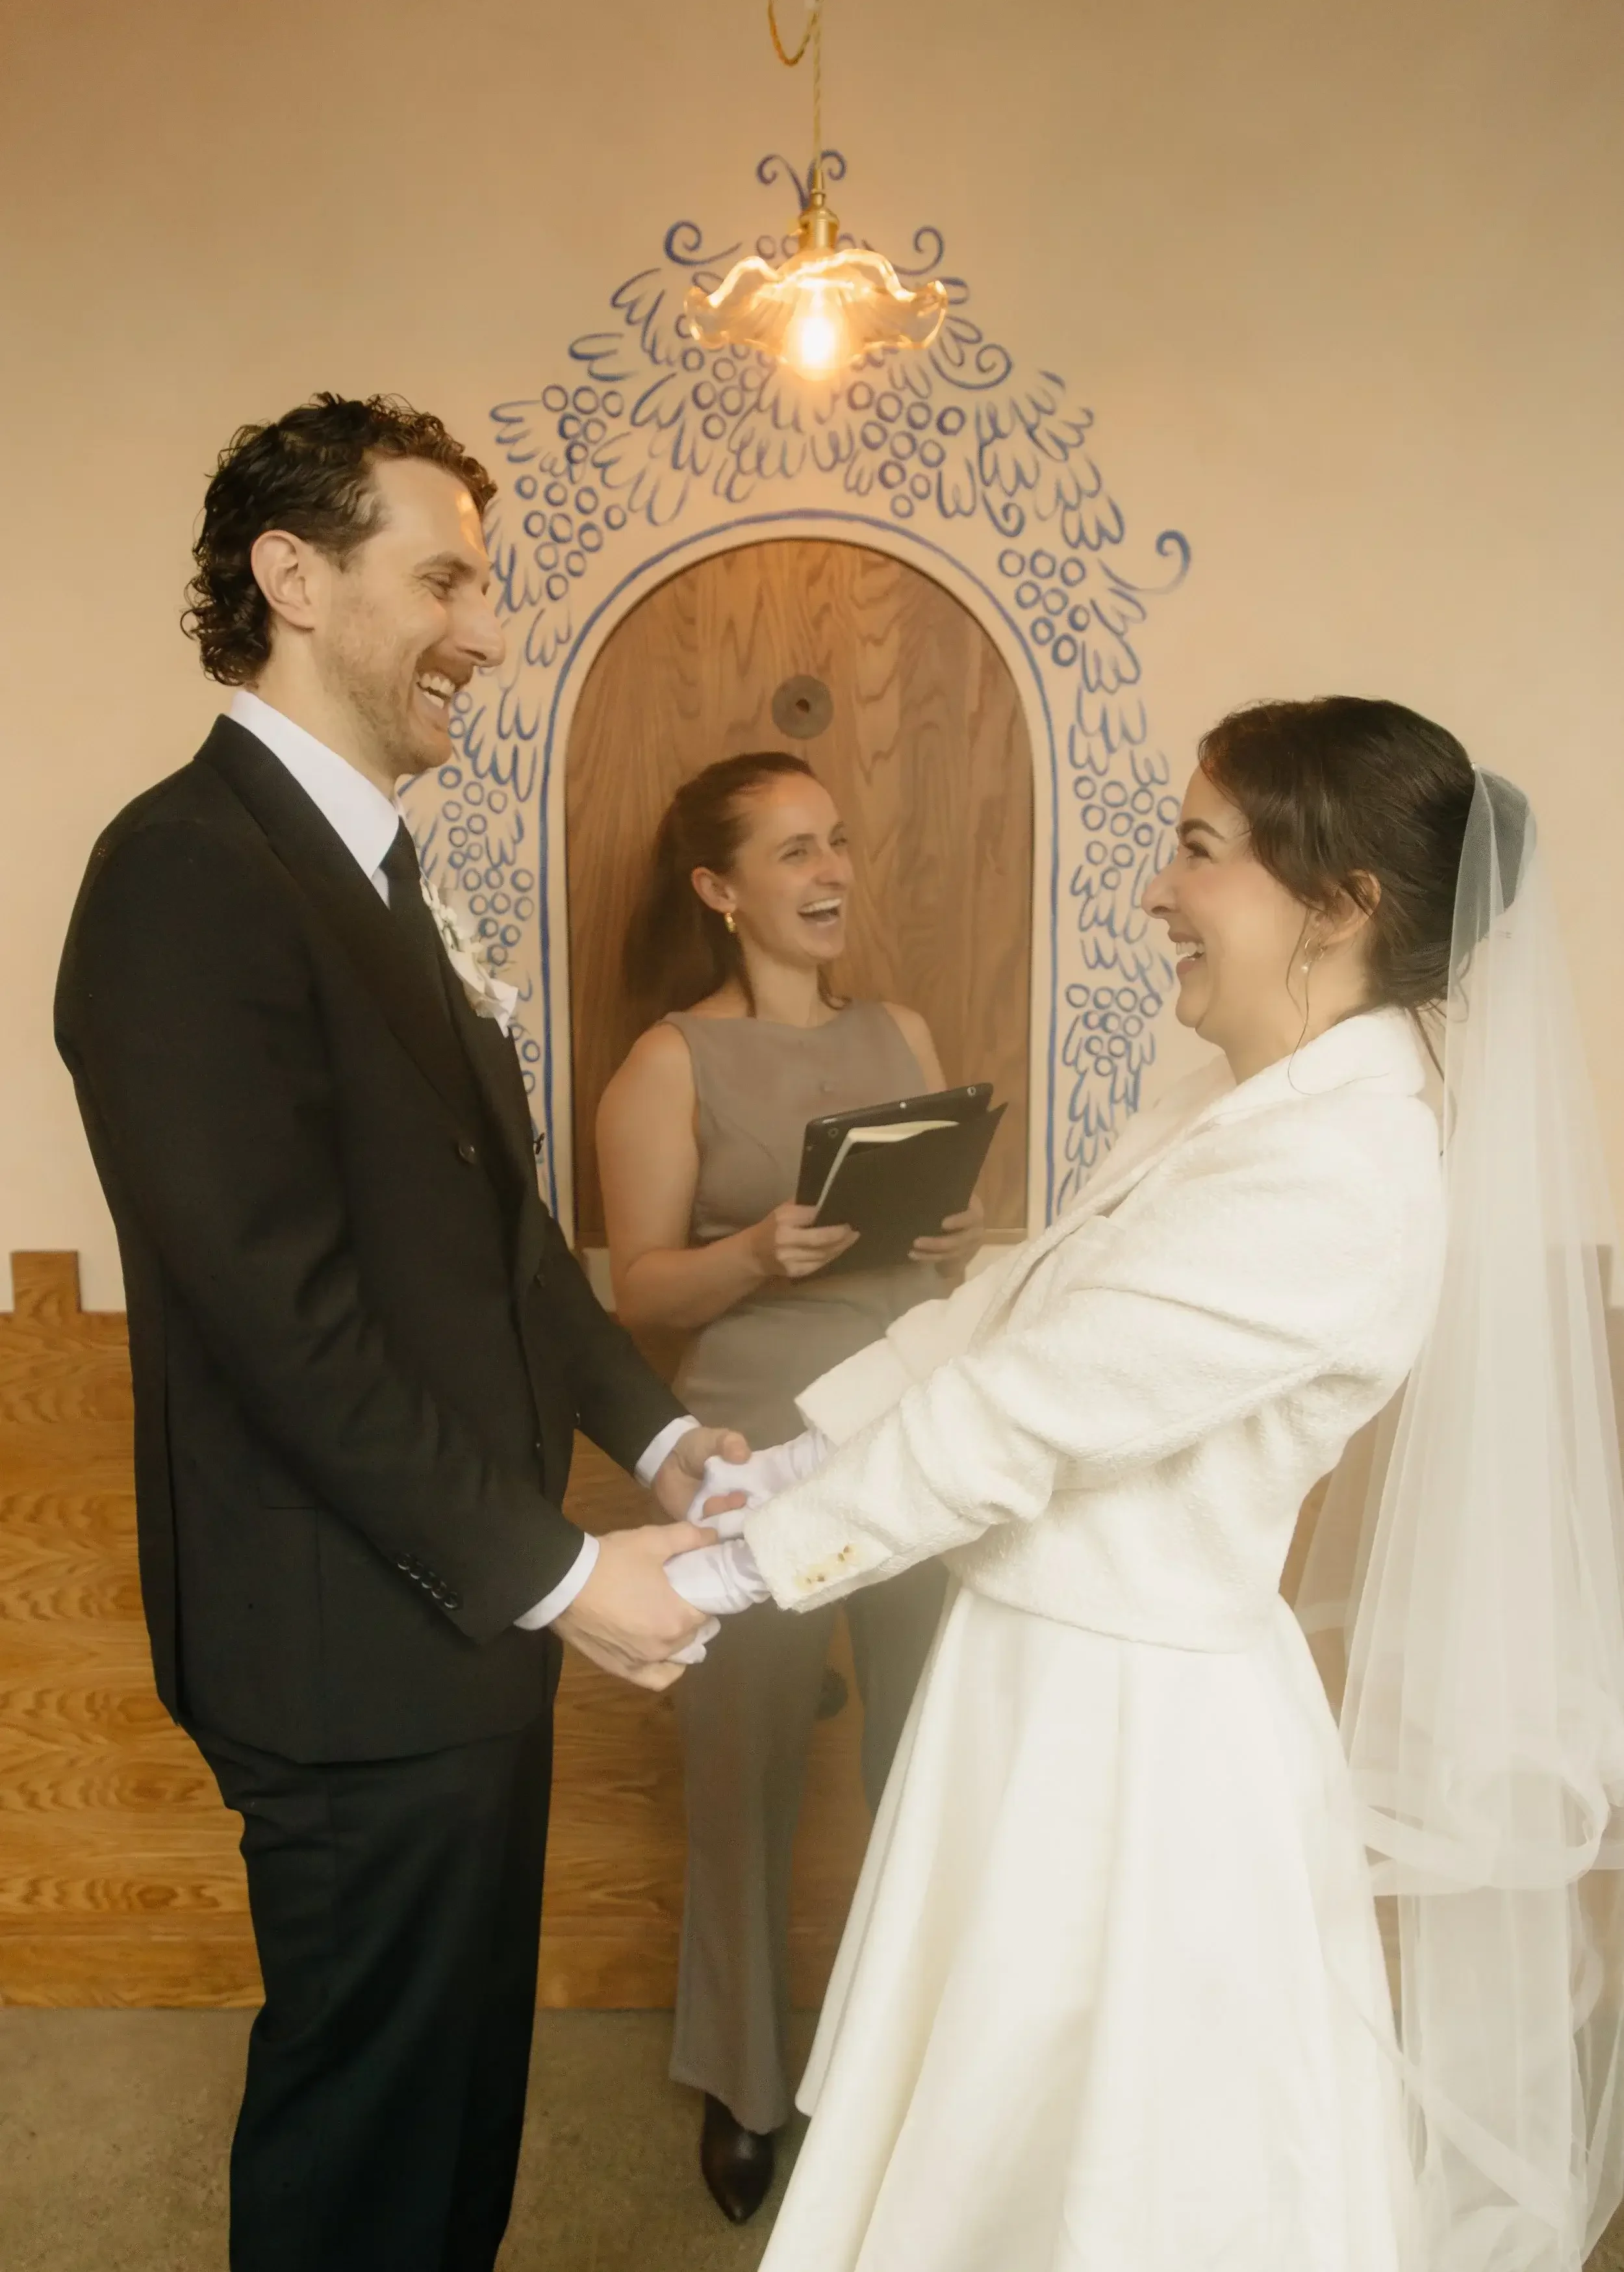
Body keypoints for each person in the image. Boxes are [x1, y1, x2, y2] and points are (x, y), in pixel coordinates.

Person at [674, 697, 1624, 2269]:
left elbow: (1034, 1411)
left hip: (1131, 1735)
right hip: (1039, 1679)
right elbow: (1002, 1318)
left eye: (1195, 850)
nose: (1153, 895)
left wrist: (725, 1570)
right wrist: (780, 1460)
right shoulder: (1233, 1103)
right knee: (973, 2129)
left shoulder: (1342, 1167)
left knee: (1100, 2157)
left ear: (1335, 903)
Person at [53, 393, 749, 2272]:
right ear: (292, 575)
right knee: (364, 2154)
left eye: (486, 581)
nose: (488, 627)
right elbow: (276, 1317)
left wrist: (662, 1439)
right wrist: (551, 1568)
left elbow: (504, 1238)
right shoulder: (186, 873)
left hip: (453, 1624)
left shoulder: (372, 869)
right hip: (348, 1641)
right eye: (442, 576)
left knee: (451, 2127)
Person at [595, 750, 983, 2221]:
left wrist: (947, 1245)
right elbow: (636, 1298)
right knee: (742, 1778)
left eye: (837, 843)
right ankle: (745, 2084)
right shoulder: (667, 1062)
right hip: (751, 1446)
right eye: (792, 851)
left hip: (916, 1432)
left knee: (922, 1762)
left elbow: (933, 1214)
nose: (830, 872)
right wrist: (757, 1253)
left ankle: (907, 2076)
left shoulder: (903, 1028)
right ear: (718, 888)